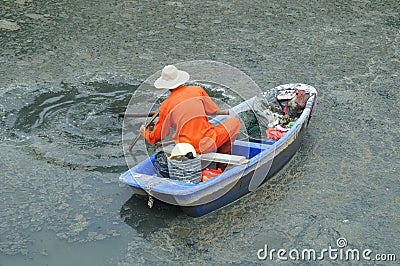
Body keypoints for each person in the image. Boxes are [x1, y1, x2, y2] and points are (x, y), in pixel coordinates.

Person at [140, 65, 240, 156]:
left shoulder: (165, 105)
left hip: (185, 148)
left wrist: (146, 133)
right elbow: (212, 111)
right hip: (207, 142)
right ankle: (223, 163)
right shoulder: (197, 90)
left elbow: (158, 136)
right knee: (234, 123)